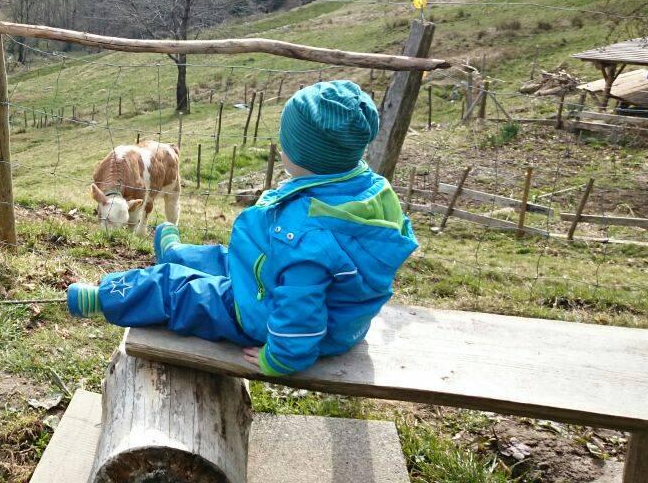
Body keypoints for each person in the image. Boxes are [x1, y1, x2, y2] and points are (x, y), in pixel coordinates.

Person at [66, 80, 417, 376]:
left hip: (264, 315)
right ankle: (178, 252)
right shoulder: (365, 190)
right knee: (224, 258)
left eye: (286, 141)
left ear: (301, 154)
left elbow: (301, 308)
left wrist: (280, 358)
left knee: (177, 289)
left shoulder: (308, 239)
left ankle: (107, 295)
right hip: (328, 312)